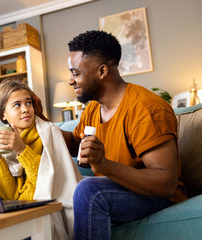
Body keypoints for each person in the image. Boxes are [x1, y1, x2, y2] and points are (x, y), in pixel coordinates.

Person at [61, 30, 187, 239]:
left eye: (76, 73)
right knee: (66, 183)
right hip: (119, 189)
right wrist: (38, 121)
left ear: (102, 72)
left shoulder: (147, 109)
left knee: (89, 191)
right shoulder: (93, 109)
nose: (71, 81)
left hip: (159, 196)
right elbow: (76, 144)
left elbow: (166, 183)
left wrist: (104, 165)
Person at [0, 79, 82, 239]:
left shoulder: (49, 133)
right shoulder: (4, 141)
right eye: (17, 105)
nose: (25, 109)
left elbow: (44, 185)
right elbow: (11, 197)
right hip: (20, 213)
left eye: (28, 103)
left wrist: (21, 149)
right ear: (3, 114)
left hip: (45, 209)